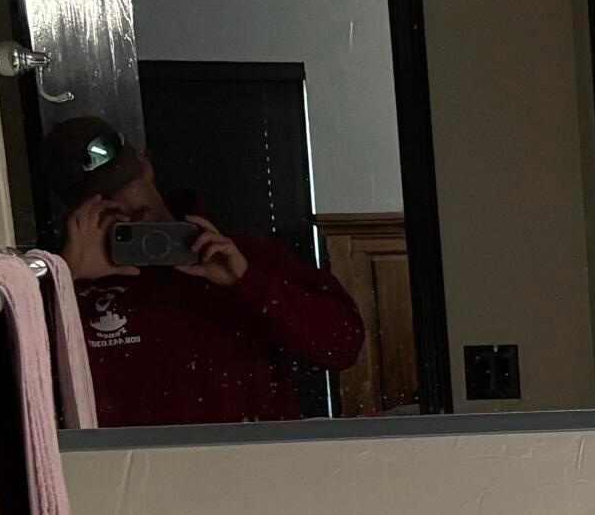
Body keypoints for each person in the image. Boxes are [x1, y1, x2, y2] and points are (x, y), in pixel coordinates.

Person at [44, 116, 366, 427]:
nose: (123, 207)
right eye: (101, 201)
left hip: (258, 475)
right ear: (74, 214)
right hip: (133, 479)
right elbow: (21, 395)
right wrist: (65, 277)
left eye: (125, 184)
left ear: (145, 165)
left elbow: (344, 344)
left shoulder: (246, 257)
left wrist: (248, 282)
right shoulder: (73, 289)